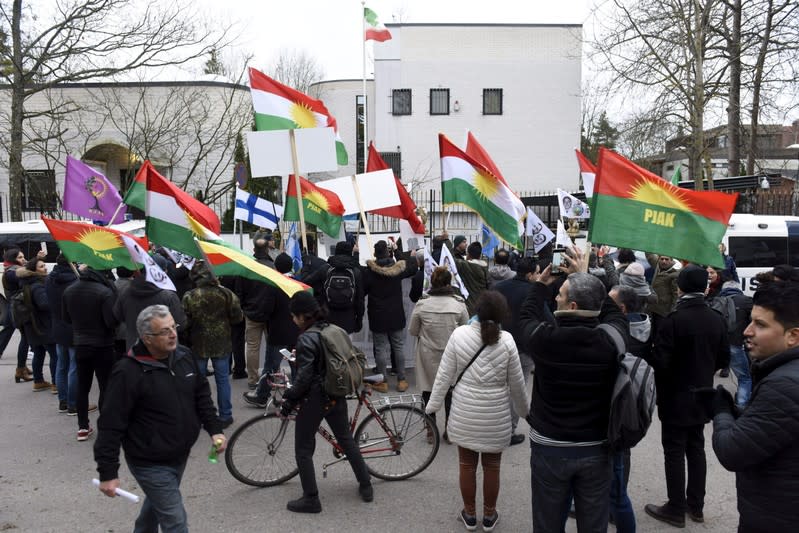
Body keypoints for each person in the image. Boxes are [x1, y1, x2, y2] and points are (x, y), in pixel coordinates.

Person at [519, 246, 627, 533]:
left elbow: (526, 317)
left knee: (547, 521)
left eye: (561, 294)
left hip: (549, 446)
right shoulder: (610, 341)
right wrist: (584, 276)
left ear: (572, 307)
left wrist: (541, 286)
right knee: (594, 523)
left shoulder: (545, 339)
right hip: (596, 446)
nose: (556, 295)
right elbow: (614, 314)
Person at [94, 305, 225, 532]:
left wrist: (214, 429)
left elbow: (201, 394)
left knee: (157, 506)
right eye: (164, 331)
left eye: (174, 327)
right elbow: (110, 425)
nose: (173, 334)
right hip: (149, 461)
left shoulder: (183, 356)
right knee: (175, 520)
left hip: (179, 453)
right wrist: (108, 472)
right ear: (147, 338)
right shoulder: (126, 372)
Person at [427, 290, 528, 531]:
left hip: (464, 411)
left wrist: (432, 406)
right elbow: (517, 384)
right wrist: (526, 413)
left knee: (466, 465)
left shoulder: (459, 335)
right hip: (496, 415)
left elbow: (443, 376)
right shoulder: (507, 340)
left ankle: (470, 515)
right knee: (492, 466)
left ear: (477, 310)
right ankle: (490, 515)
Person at [707, 281, 799, 532]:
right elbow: (776, 430)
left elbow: (732, 451)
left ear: (793, 336)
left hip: (777, 518)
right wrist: (741, 414)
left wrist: (722, 410)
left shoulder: (784, 385)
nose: (747, 331)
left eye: (760, 324)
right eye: (750, 321)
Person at [643, 265, 730, 528]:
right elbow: (723, 359)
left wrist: (650, 349)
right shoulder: (716, 318)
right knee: (696, 448)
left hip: (675, 396)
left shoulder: (673, 320)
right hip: (702, 394)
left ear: (679, 287)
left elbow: (661, 361)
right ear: (705, 287)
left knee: (674, 451)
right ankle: (696, 505)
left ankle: (676, 508)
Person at [278, 291, 372, 513]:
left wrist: (289, 399)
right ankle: (366, 485)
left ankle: (311, 499)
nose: (293, 320)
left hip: (315, 398)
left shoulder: (305, 338)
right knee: (347, 440)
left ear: (303, 316)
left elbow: (304, 378)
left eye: (294, 316)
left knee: (303, 448)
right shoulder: (333, 329)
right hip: (336, 392)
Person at [409, 266, 469, 443]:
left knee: (428, 390)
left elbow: (413, 330)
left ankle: (430, 430)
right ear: (449, 282)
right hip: (453, 353)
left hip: (427, 353)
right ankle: (450, 430)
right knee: (451, 392)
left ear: (432, 282)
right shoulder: (458, 304)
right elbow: (466, 329)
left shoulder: (422, 304)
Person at [181, 261, 244, 429]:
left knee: (199, 382)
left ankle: (200, 415)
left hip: (198, 343)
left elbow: (184, 322)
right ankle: (225, 416)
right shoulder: (226, 294)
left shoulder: (190, 296)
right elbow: (238, 318)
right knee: (223, 379)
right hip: (222, 342)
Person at [63, 266, 118, 440]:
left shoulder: (69, 290)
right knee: (105, 386)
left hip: (81, 344)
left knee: (83, 387)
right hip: (103, 345)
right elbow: (110, 322)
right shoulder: (104, 292)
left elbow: (66, 318)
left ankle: (82, 427)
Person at [243, 252, 301, 407]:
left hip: (278, 334)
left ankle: (262, 396)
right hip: (295, 333)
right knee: (295, 366)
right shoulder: (299, 284)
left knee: (271, 367)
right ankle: (297, 397)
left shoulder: (274, 285)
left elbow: (267, 309)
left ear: (276, 267)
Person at [493, 256, 538, 445]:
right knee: (517, 389)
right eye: (536, 273)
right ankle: (509, 431)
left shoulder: (499, 288)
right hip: (523, 347)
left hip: (498, 343)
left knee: (498, 387)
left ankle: (493, 425)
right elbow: (546, 318)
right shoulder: (533, 292)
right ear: (529, 274)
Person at [363, 239, 418, 393]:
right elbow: (412, 267)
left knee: (380, 348)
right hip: (396, 314)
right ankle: (401, 380)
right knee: (398, 346)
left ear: (375, 254)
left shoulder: (369, 272)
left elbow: (364, 289)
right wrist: (407, 254)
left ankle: (383, 382)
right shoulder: (397, 271)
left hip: (377, 315)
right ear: (388, 253)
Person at [114, 271, 186, 351]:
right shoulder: (169, 296)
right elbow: (181, 324)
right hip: (165, 349)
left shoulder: (125, 294)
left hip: (135, 347)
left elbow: (118, 316)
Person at [16, 257, 56, 392]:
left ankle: (38, 381)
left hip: (32, 325)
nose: (45, 268)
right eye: (41, 266)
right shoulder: (38, 285)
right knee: (54, 355)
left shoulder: (27, 283)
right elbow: (44, 304)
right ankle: (56, 383)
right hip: (43, 325)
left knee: (39, 352)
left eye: (45, 265)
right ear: (34, 270)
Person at [45, 253, 78, 413]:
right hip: (73, 328)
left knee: (61, 365)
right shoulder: (74, 281)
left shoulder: (49, 279)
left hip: (57, 326)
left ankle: (63, 401)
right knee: (73, 366)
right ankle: (73, 404)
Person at [716, 274, 754, 408]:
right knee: (745, 377)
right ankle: (741, 405)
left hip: (715, 345)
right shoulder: (747, 301)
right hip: (735, 344)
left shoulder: (717, 301)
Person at [1, 248, 33, 381]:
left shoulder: (12, 269)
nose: (23, 259)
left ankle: (22, 367)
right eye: (20, 257)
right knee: (25, 338)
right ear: (13, 259)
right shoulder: (11, 272)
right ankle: (20, 369)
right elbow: (23, 277)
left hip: (18, 307)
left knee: (23, 336)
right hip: (19, 309)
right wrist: (33, 266)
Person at [323, 241, 364, 334]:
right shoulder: (355, 272)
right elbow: (360, 299)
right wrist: (359, 319)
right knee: (346, 346)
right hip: (349, 318)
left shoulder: (326, 269)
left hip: (329, 318)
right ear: (350, 252)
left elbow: (309, 282)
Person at [455, 242, 490, 316]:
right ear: (480, 255)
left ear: (468, 254)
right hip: (481, 305)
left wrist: (446, 240)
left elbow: (451, 259)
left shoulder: (466, 266)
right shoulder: (484, 267)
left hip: (469, 306)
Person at [649, 255, 680, 333]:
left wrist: (672, 313)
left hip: (664, 312)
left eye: (666, 259)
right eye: (662, 259)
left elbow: (675, 295)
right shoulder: (658, 266)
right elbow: (650, 256)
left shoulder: (674, 274)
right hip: (653, 308)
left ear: (671, 261)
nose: (664, 261)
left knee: (660, 334)